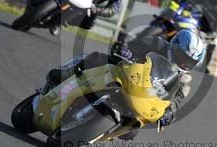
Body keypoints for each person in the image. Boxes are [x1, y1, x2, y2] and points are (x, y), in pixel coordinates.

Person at [45, 29, 205, 140]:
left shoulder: (184, 81)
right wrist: (125, 50)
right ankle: (63, 72)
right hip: (126, 75)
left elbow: (175, 100)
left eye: (189, 62)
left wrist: (169, 112)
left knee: (130, 133)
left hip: (144, 99)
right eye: (183, 57)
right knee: (96, 58)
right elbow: (130, 47)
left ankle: (96, 134)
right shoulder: (156, 44)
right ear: (175, 46)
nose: (184, 63)